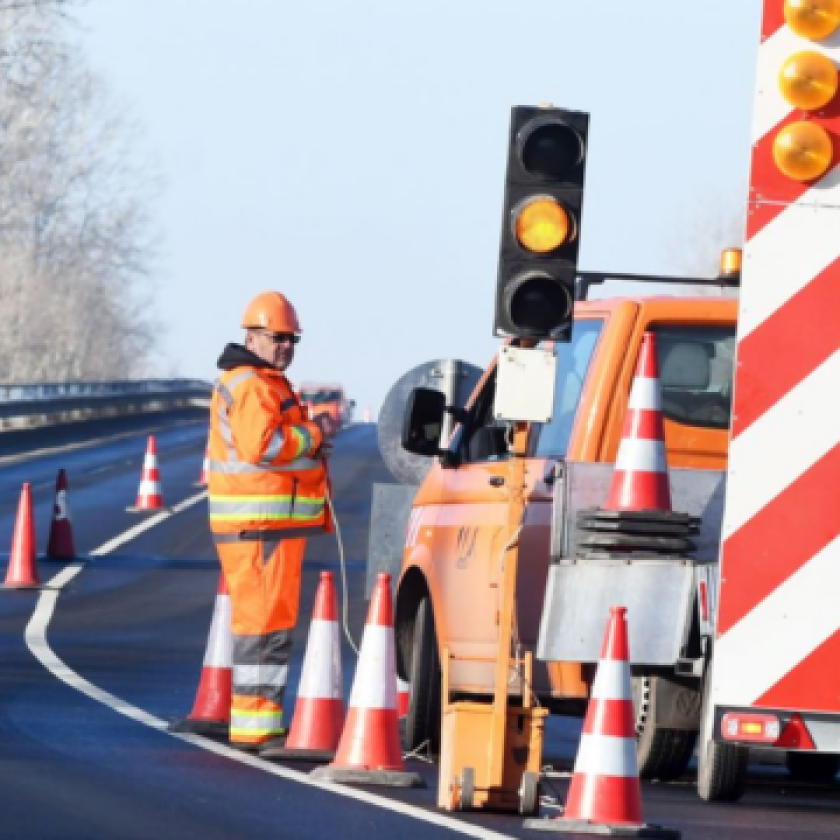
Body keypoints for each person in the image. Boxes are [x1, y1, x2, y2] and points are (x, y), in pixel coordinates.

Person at [207, 291, 330, 752]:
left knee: (267, 626)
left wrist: (306, 440)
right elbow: (263, 447)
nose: (286, 347)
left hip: (267, 527)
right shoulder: (254, 386)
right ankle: (257, 727)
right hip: (259, 527)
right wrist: (313, 436)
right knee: (263, 630)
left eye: (292, 339)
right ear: (253, 336)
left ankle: (260, 722)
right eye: (278, 338)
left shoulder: (263, 382)